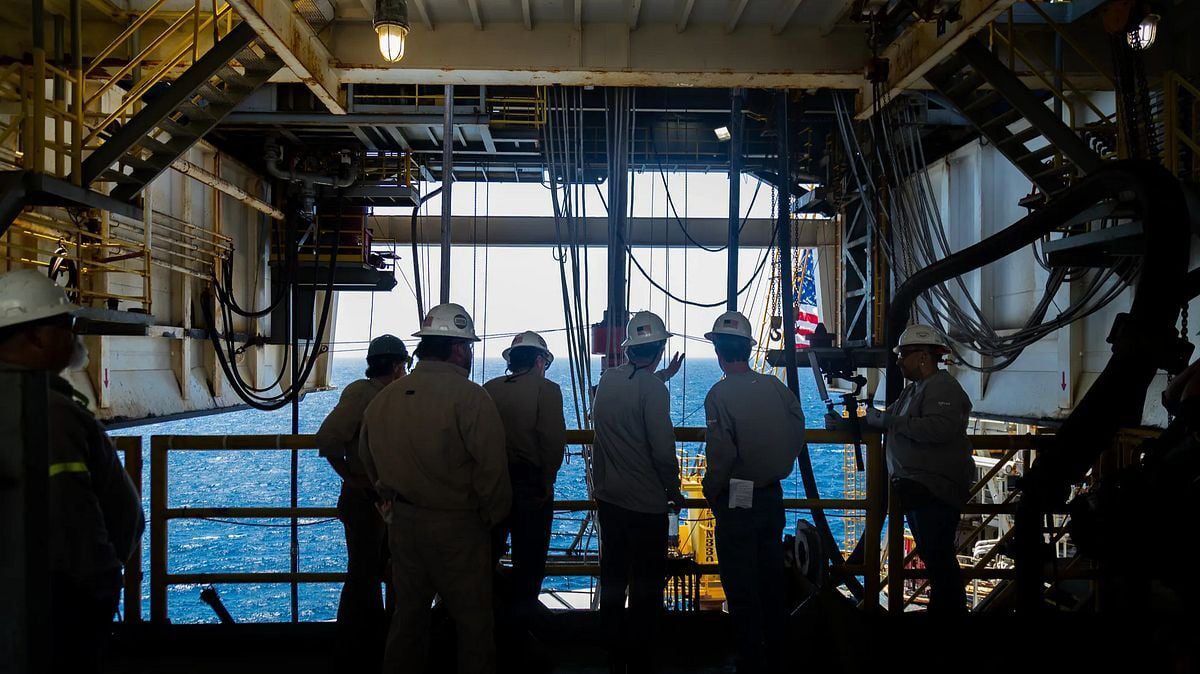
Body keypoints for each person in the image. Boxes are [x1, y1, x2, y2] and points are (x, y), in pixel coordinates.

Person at [0, 269, 143, 673]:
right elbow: (71, 522)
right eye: (67, 324)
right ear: (35, 336)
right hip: (53, 622)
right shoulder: (50, 415)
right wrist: (99, 591)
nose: (74, 335)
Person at [360, 303, 511, 674]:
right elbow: (492, 474)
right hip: (458, 527)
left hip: (405, 526)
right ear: (459, 349)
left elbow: (367, 461)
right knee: (474, 625)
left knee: (407, 620)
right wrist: (493, 520)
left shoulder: (385, 399)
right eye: (470, 347)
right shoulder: (472, 398)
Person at [843, 324, 973, 614]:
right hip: (919, 488)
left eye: (903, 355)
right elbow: (892, 418)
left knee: (939, 558)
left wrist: (888, 422)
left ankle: (951, 621)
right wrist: (863, 421)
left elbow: (940, 428)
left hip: (934, 489)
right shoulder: (916, 390)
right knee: (935, 557)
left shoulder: (943, 388)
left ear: (924, 357)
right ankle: (946, 616)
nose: (898, 361)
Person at [701, 311, 804, 674]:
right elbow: (796, 430)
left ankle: (751, 658)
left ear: (719, 352)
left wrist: (712, 490)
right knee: (770, 577)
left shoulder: (718, 395)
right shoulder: (775, 387)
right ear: (746, 349)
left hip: (739, 495)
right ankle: (776, 653)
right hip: (771, 494)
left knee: (741, 582)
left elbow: (722, 456)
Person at [592, 310, 684, 674]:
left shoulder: (608, 382)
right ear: (660, 348)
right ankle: (641, 657)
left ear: (629, 350)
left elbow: (633, 388)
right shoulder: (653, 390)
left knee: (613, 579)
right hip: (646, 507)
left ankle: (612, 654)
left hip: (611, 502)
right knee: (646, 587)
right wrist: (673, 490)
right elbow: (663, 451)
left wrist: (663, 377)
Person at [315, 334, 409, 663]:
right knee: (370, 576)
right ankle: (365, 647)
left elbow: (330, 442)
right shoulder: (367, 395)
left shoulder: (369, 393)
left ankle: (365, 646)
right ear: (397, 366)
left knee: (368, 575)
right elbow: (327, 439)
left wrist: (351, 477)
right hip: (372, 499)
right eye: (404, 365)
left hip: (370, 498)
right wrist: (354, 479)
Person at [482, 331, 566, 619]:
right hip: (530, 486)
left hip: (493, 485)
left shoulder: (490, 388)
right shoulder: (547, 390)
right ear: (540, 361)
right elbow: (552, 442)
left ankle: (494, 618)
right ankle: (522, 624)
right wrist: (547, 481)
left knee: (487, 556)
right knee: (529, 562)